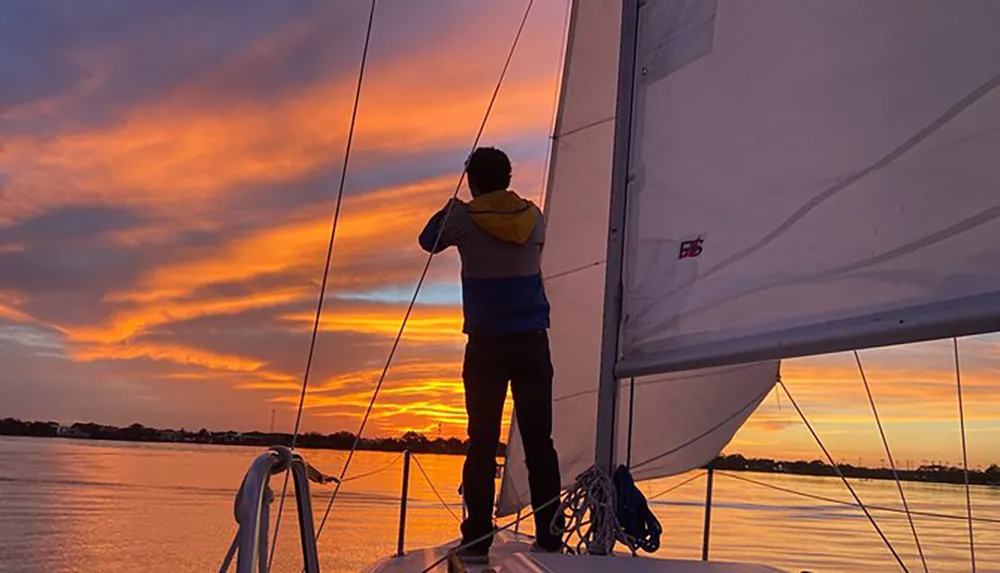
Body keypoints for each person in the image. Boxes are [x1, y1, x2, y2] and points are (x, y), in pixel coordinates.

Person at [418, 147, 562, 562]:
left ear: (472, 181)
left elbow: (428, 241)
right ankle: (550, 536)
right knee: (540, 441)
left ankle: (478, 537)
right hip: (533, 342)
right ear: (509, 178)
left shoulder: (462, 219)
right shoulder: (534, 217)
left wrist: (453, 204)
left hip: (486, 346)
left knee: (482, 442)